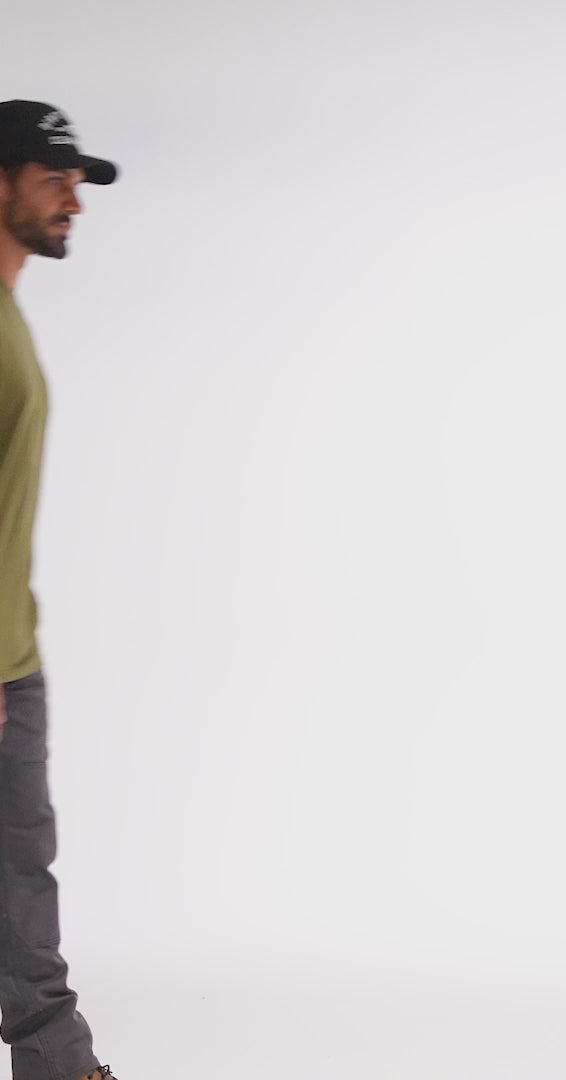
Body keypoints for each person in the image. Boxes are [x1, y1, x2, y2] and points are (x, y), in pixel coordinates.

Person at [0, 100, 120, 1080]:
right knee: (16, 887)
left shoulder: (7, 311)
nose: (73, 201)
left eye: (77, 182)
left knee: (19, 885)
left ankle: (57, 1065)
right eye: (53, 180)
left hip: (13, 656)